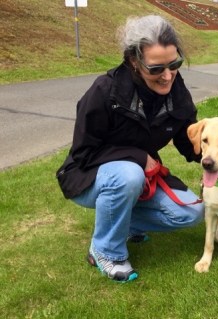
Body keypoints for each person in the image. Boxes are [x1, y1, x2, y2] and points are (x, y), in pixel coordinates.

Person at [56, 15, 204, 283]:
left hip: (139, 176)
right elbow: (83, 154)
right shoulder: (105, 91)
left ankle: (121, 224)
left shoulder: (176, 89)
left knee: (192, 212)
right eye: (156, 68)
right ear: (135, 61)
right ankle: (105, 251)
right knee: (128, 175)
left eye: (175, 64)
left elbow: (188, 140)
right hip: (87, 175)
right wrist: (137, 157)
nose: (168, 75)